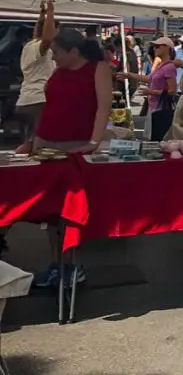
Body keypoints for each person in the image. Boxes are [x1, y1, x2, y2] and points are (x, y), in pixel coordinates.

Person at [32, 26, 113, 288]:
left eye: (56, 52)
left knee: (69, 211)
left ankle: (70, 266)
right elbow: (51, 108)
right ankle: (58, 265)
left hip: (74, 147)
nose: (53, 57)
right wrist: (32, 141)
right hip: (46, 146)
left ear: (73, 51)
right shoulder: (59, 71)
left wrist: (93, 142)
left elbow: (104, 108)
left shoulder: (98, 69)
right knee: (51, 214)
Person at [13, 2, 56, 147]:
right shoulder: (41, 49)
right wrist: (50, 11)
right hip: (38, 101)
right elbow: (47, 39)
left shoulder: (30, 46)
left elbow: (37, 34)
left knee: (29, 142)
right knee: (37, 144)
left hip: (25, 101)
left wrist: (42, 15)